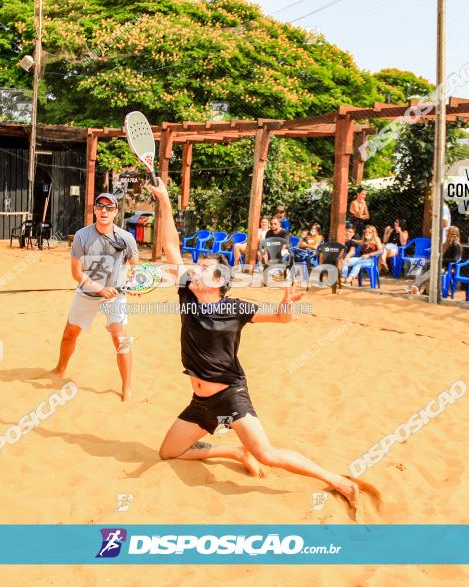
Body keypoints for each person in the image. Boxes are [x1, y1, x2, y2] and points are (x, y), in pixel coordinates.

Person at [145, 178, 364, 513]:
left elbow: (280, 318)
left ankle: (338, 481)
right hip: (199, 402)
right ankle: (232, 451)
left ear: (219, 283)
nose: (196, 271)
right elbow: (171, 244)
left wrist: (287, 304)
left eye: (204, 270)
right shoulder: (187, 293)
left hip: (229, 395)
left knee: (268, 455)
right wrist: (164, 201)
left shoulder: (235, 308)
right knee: (168, 452)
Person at [52, 193, 139, 401]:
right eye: (100, 206)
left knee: (121, 339)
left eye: (109, 208)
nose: (104, 211)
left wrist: (134, 282)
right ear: (95, 210)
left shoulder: (126, 238)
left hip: (115, 296)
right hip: (88, 292)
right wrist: (99, 288)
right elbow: (76, 273)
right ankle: (60, 368)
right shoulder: (82, 236)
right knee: (69, 335)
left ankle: (127, 387)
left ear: (116, 212)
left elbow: (136, 267)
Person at [406, 226, 462, 296]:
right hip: (440, 264)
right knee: (419, 264)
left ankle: (414, 286)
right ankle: (417, 288)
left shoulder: (456, 245)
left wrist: (440, 259)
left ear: (451, 233)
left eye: (447, 231)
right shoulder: (447, 243)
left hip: (448, 268)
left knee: (432, 270)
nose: (446, 232)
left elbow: (455, 259)